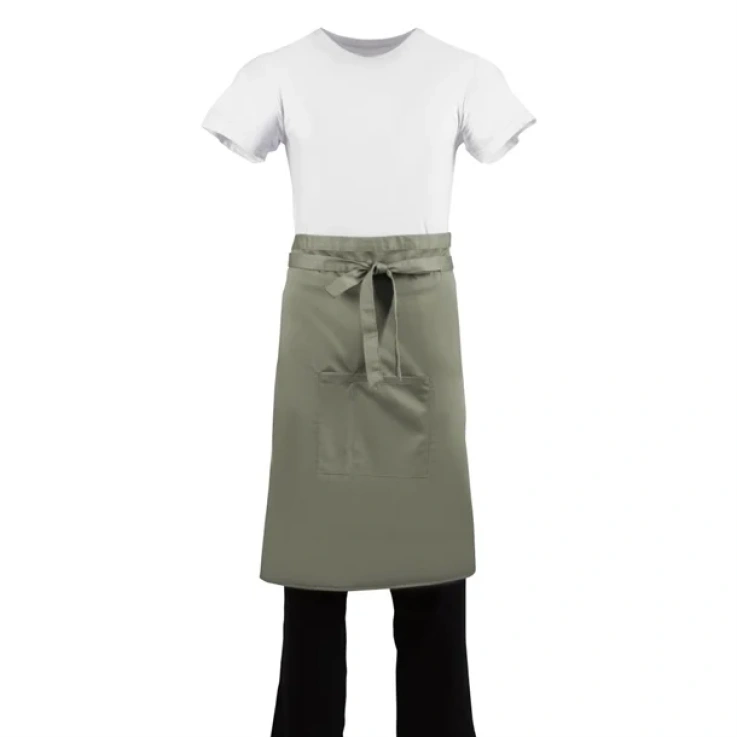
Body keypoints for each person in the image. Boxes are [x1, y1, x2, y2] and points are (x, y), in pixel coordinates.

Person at [202, 27, 535, 737]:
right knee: (312, 575)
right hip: (322, 317)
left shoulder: (467, 72)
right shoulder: (275, 72)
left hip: (418, 314)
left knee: (432, 573)